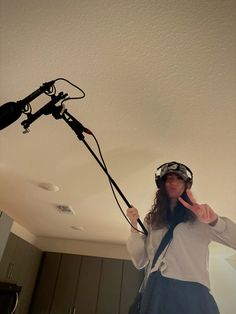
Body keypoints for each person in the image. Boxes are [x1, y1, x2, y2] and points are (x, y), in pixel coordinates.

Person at [126, 161, 236, 314]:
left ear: (186, 185)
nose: (172, 182)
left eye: (178, 178)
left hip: (191, 291)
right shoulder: (152, 221)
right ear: (161, 184)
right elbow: (140, 260)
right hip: (154, 291)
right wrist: (133, 224)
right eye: (168, 178)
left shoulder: (200, 218)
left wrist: (214, 220)